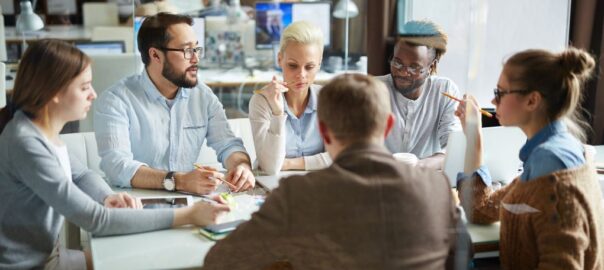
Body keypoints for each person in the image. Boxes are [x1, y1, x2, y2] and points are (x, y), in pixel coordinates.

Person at [0, 39, 229, 270]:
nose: (93, 94)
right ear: (53, 92)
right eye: (84, 87)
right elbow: (97, 220)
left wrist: (106, 197)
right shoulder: (27, 143)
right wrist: (189, 215)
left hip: (49, 258)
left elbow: (81, 175)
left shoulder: (38, 129)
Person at [204, 74, 462, 269]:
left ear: (324, 131)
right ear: (388, 126)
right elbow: (463, 255)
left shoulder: (299, 196)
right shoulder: (438, 189)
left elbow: (220, 261)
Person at [455, 47, 604, 269]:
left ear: (532, 101)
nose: (493, 101)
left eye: (500, 92)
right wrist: (474, 134)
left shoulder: (550, 162)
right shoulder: (552, 151)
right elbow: (482, 209)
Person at [94, 13, 255, 195]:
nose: (195, 59)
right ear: (155, 55)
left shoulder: (203, 96)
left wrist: (241, 166)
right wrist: (179, 181)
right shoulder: (116, 100)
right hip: (136, 207)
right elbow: (116, 166)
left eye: (196, 49)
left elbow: (228, 145)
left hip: (190, 204)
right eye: (186, 50)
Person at [376, 19, 461, 169]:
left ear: (431, 66)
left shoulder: (445, 90)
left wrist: (418, 166)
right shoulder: (375, 89)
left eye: (414, 67)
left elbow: (452, 149)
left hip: (425, 178)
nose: (403, 72)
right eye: (397, 62)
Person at [249, 21, 331, 174]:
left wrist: (288, 164)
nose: (301, 75)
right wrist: (278, 113)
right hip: (274, 187)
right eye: (293, 65)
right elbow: (271, 168)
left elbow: (338, 157)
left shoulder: (328, 99)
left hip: (319, 184)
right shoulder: (262, 102)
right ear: (280, 59)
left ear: (319, 64)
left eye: (309, 67)